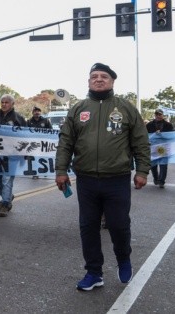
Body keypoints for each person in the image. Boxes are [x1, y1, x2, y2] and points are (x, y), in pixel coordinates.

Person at [55, 63, 150, 291]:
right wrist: (61, 171)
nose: (98, 79)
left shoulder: (125, 108)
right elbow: (66, 142)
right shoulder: (78, 109)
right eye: (94, 76)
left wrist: (142, 170)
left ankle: (123, 259)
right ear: (89, 82)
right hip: (86, 180)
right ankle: (94, 273)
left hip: (116, 179)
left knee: (118, 225)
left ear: (112, 81)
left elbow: (140, 141)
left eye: (104, 76)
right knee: (88, 227)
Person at [0, 94, 27, 217]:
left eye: (7, 102)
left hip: (12, 156)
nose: (4, 104)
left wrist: (23, 155)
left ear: (12, 104)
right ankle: (8, 196)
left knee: (7, 179)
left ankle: (4, 204)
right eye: (2, 102)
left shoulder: (19, 119)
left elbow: (25, 138)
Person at [146, 108, 174, 188]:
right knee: (153, 164)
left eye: (160, 114)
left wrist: (162, 134)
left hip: (164, 147)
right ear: (155, 115)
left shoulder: (168, 125)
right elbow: (145, 135)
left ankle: (162, 181)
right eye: (156, 114)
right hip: (152, 147)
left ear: (163, 115)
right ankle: (156, 178)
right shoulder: (149, 125)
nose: (158, 116)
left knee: (163, 164)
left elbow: (171, 136)